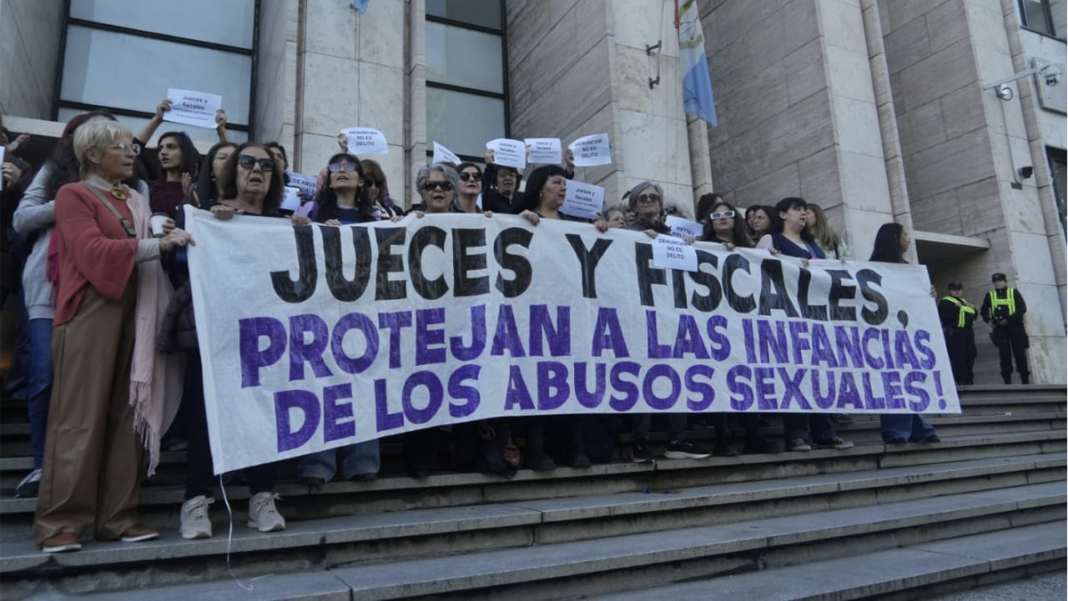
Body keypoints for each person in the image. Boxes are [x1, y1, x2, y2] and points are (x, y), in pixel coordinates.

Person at [33, 120, 194, 553]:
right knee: (78, 417)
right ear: (92, 155)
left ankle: (118, 516)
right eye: (121, 147)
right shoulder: (73, 195)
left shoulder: (135, 200)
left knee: (129, 416)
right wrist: (153, 247)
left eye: (130, 146)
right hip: (88, 312)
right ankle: (61, 521)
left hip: (136, 309)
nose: (132, 153)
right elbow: (92, 253)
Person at [173, 143, 298, 540]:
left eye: (265, 165)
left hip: (271, 343)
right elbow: (178, 263)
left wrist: (313, 237)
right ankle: (195, 501)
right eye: (247, 163)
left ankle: (262, 498)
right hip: (220, 337)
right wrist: (210, 227)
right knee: (205, 417)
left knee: (266, 416)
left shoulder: (284, 222)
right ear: (232, 174)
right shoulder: (209, 219)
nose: (257, 170)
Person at [10, 111, 131, 498]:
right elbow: (21, 219)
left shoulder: (131, 183)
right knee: (46, 374)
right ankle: (42, 465)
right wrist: (74, 204)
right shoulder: (54, 174)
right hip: (49, 286)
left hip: (102, 293)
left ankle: (87, 468)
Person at [293, 154, 380, 486]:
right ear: (327, 179)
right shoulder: (309, 212)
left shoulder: (376, 219)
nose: (342, 171)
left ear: (361, 181)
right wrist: (306, 231)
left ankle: (363, 458)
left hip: (364, 315)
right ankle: (317, 460)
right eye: (335, 167)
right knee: (322, 382)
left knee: (365, 382)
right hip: (321, 313)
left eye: (350, 168)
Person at [619, 182, 711, 462]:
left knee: (676, 372)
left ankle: (678, 439)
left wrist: (692, 248)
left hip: (670, 315)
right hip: (638, 313)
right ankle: (640, 441)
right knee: (642, 374)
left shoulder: (673, 234)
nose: (648, 201)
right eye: (642, 198)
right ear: (634, 205)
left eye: (653, 197)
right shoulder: (622, 234)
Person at [759, 198, 853, 452]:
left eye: (805, 210)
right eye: (797, 209)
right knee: (796, 375)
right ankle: (797, 434)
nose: (803, 214)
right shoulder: (771, 241)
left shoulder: (815, 247)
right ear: (782, 215)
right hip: (788, 319)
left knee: (819, 374)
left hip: (816, 320)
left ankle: (825, 431)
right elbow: (757, 273)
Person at [699, 200, 781, 455]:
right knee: (718, 376)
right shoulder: (700, 246)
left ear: (736, 219)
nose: (722, 217)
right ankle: (723, 438)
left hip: (743, 322)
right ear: (710, 221)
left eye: (728, 213)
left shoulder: (750, 250)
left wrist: (773, 260)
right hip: (712, 319)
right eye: (716, 214)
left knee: (747, 377)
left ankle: (753, 436)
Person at [869, 222, 940, 444]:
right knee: (894, 379)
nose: (908, 239)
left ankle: (918, 427)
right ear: (894, 239)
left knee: (908, 380)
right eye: (905, 234)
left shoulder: (910, 269)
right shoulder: (871, 269)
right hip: (884, 334)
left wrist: (928, 295)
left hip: (908, 334)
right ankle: (897, 430)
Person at [980, 273, 1030, 385]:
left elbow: (1022, 308)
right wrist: (989, 320)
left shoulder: (1013, 292)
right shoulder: (990, 295)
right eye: (995, 281)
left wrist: (1008, 320)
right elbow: (983, 311)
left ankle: (1025, 381)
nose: (997, 283)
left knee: (1020, 354)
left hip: (1015, 327)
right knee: (1004, 355)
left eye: (1000, 280)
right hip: (1000, 329)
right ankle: (1007, 382)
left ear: (1005, 281)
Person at [939, 282, 978, 386]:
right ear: (950, 290)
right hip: (955, 332)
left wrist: (974, 309)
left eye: (959, 289)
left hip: (967, 333)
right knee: (958, 356)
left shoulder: (965, 302)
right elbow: (944, 317)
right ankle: (961, 380)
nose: (957, 291)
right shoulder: (945, 302)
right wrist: (955, 309)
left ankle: (969, 379)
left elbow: (973, 316)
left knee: (970, 355)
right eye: (954, 289)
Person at [191, 141, 237, 211]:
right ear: (211, 170)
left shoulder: (257, 206)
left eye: (235, 158)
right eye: (222, 157)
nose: (229, 161)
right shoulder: (196, 202)